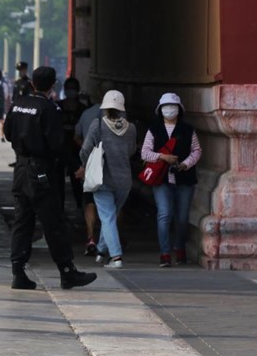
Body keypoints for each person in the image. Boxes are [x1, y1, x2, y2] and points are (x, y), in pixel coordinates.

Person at [4, 66, 98, 290]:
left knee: (22, 221)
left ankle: (18, 271)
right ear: (53, 85)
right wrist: (75, 166)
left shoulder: (17, 104)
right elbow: (57, 144)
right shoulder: (50, 108)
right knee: (53, 222)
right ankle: (67, 271)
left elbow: (7, 133)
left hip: (21, 169)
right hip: (41, 171)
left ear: (32, 83)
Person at [141, 93, 202, 267]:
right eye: (166, 106)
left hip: (184, 179)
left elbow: (197, 151)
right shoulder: (153, 130)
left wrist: (185, 164)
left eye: (173, 106)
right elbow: (145, 153)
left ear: (179, 109)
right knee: (164, 214)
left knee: (182, 218)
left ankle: (180, 247)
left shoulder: (188, 130)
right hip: (161, 180)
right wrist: (162, 157)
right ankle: (165, 253)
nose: (169, 110)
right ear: (160, 110)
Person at [80, 90, 137, 268]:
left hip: (102, 179)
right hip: (124, 181)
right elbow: (132, 151)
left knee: (107, 218)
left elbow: (85, 149)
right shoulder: (131, 128)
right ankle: (101, 251)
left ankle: (116, 257)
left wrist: (86, 164)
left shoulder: (97, 124)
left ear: (104, 107)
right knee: (110, 217)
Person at [74, 99, 103, 255]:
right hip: (115, 169)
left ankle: (91, 237)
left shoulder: (87, 114)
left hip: (92, 166)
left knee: (90, 200)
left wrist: (86, 163)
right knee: (113, 206)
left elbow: (77, 138)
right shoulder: (125, 122)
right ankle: (112, 239)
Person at [60, 77, 88, 210]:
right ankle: (59, 208)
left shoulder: (83, 109)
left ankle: (80, 206)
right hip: (60, 148)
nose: (70, 91)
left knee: (77, 180)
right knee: (57, 180)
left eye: (73, 88)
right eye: (68, 88)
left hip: (76, 149)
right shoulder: (58, 107)